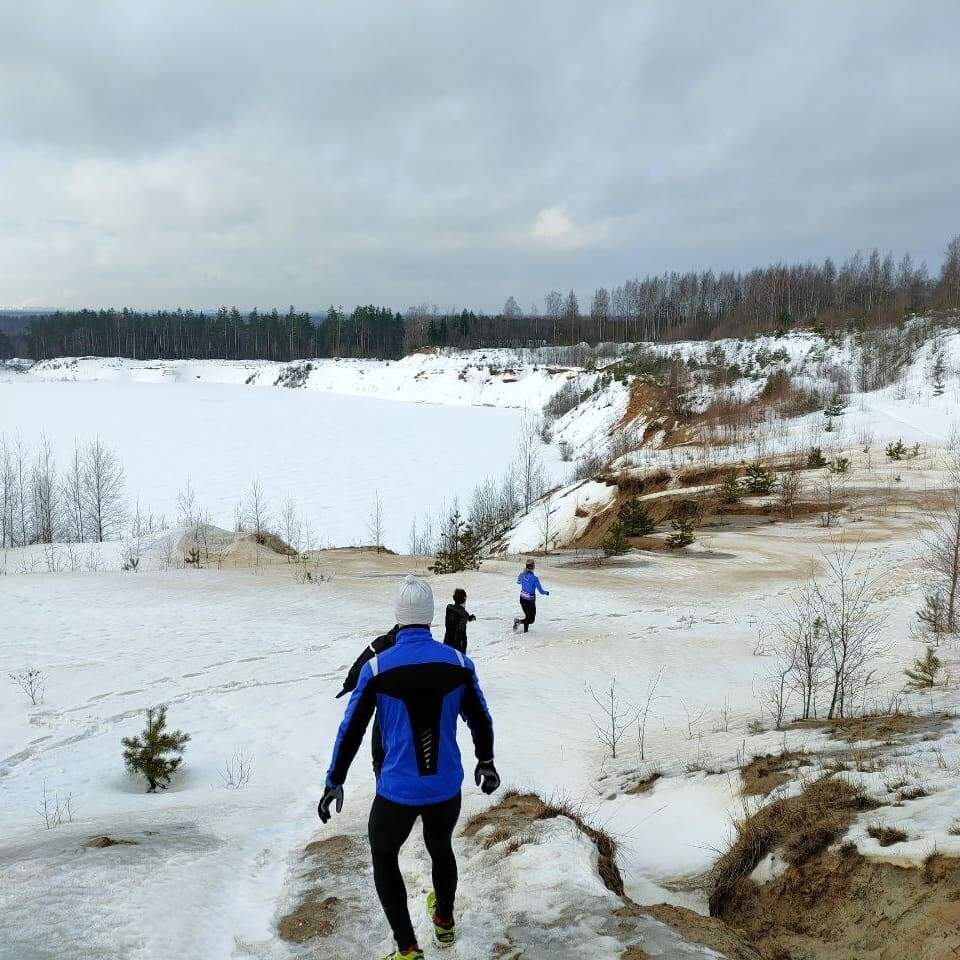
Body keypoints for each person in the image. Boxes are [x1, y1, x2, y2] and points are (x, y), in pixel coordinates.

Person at [319, 575, 500, 960]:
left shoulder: (377, 667)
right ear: (432, 617)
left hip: (396, 792)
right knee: (441, 848)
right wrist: (486, 761)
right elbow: (480, 719)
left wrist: (334, 780)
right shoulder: (459, 663)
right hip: (445, 788)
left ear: (398, 617)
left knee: (384, 855)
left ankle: (408, 949)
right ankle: (445, 924)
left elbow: (350, 729)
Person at [513, 559, 549, 633]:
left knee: (528, 617)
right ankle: (518, 622)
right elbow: (541, 591)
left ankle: (525, 631)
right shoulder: (535, 578)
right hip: (530, 601)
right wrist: (546, 593)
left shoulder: (521, 575)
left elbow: (518, 582)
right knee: (531, 620)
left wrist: (523, 575)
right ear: (533, 567)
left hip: (522, 599)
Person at [443, 587, 475, 653]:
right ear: (464, 599)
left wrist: (469, 617)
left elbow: (457, 612)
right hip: (457, 645)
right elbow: (460, 631)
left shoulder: (449, 608)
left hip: (447, 641)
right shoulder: (464, 614)